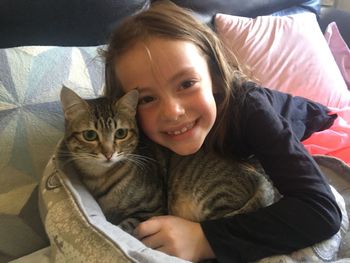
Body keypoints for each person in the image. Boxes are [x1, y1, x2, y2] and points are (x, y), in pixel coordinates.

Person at [102, 1, 342, 262]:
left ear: (214, 76)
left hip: (302, 119)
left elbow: (321, 211)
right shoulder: (134, 127)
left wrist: (204, 239)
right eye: (147, 99)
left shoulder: (250, 109)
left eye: (187, 83)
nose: (172, 112)